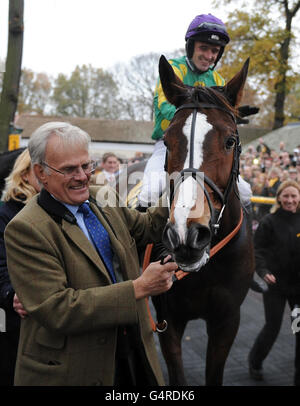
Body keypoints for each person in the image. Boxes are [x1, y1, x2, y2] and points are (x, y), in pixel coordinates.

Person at [4, 122, 177, 386]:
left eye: (86, 165)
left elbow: (149, 228)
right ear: (41, 172)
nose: (83, 176)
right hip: (75, 369)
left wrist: (179, 189)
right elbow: (58, 309)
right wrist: (140, 287)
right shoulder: (25, 228)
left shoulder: (103, 197)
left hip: (134, 352)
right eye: (69, 169)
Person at [137, 13, 253, 208]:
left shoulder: (217, 80)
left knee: (245, 193)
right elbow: (165, 106)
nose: (209, 56)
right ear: (191, 46)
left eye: (215, 51)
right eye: (204, 48)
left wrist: (235, 115)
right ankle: (135, 236)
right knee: (149, 192)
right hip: (171, 147)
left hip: (207, 150)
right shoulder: (174, 69)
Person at [248, 180, 300, 386]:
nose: (290, 200)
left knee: (299, 329)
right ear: (279, 198)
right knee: (273, 326)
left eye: (293, 196)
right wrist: (263, 270)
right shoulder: (269, 221)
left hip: (298, 289)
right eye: (286, 196)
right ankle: (255, 361)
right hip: (276, 286)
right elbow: (257, 250)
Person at [0, 149, 40, 386]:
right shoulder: (7, 213)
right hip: (16, 323)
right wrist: (10, 293)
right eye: (40, 170)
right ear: (24, 175)